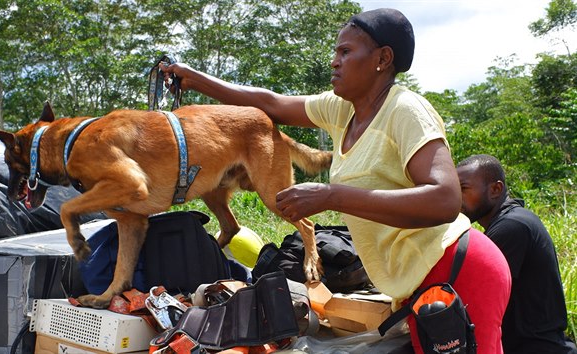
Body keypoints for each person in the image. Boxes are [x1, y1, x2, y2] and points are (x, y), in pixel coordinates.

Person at [160, 8, 511, 353]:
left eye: (346, 52)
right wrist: (195, 78)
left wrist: (332, 195)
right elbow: (272, 104)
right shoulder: (343, 110)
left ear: (383, 59)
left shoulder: (405, 111)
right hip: (414, 284)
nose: (334, 61)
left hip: (458, 268)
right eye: (335, 52)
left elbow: (445, 200)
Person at [457, 154, 577, 354]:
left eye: (464, 189)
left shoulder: (511, 227)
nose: (457, 197)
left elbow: (471, 295)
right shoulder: (514, 219)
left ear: (496, 189)